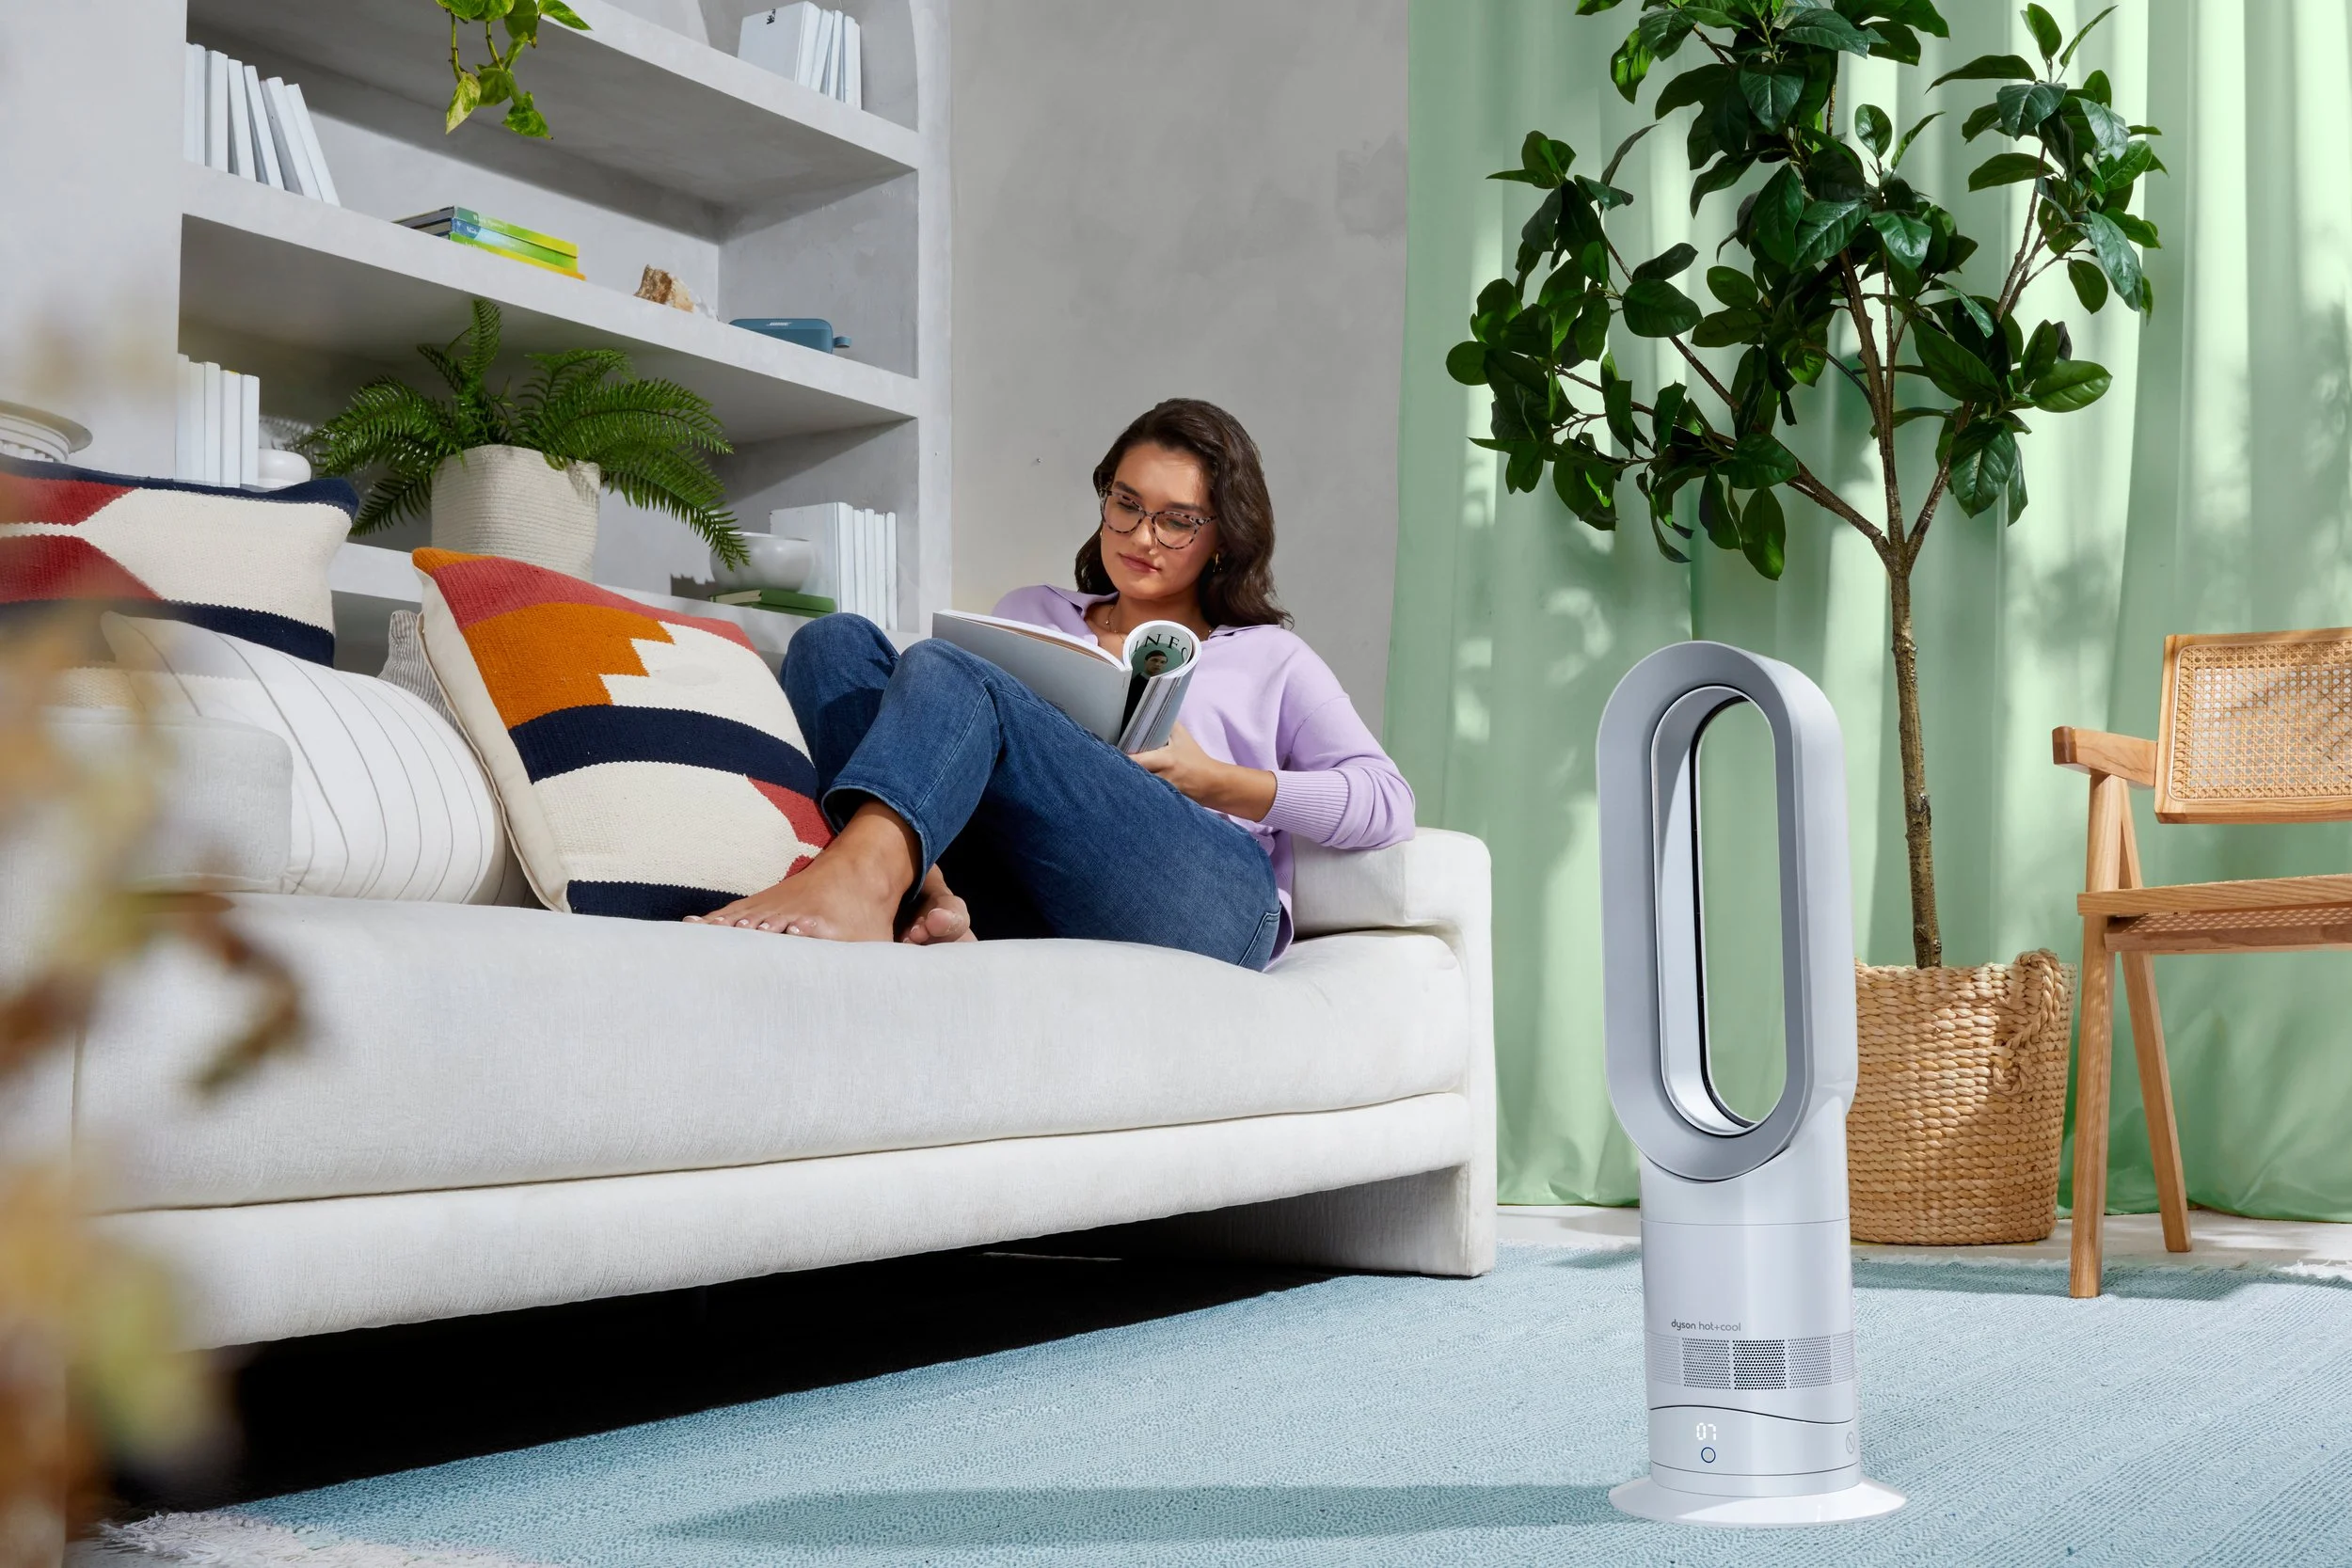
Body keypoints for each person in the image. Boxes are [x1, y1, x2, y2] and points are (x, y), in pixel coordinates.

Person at [688, 398, 1414, 970]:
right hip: (1019, 888)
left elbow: (1387, 802)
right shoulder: (1032, 614)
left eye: (1177, 521)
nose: (1141, 536)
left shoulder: (1268, 657)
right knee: (830, 643)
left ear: (1224, 536)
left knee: (949, 670)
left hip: (1206, 899)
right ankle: (927, 898)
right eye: (1126, 504)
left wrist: (1215, 780)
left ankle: (859, 882)